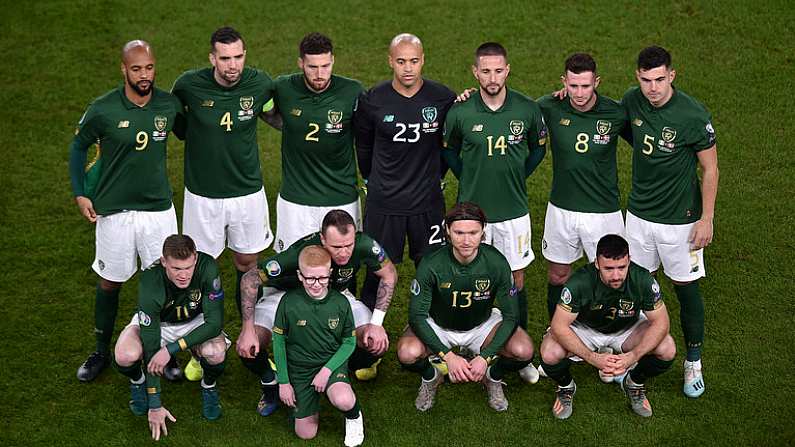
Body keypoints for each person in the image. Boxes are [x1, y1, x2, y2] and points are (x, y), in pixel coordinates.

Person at [69, 40, 181, 382]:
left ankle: (164, 349)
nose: (144, 75)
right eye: (136, 69)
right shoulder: (103, 109)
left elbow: (194, 132)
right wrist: (79, 194)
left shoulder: (169, 104)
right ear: (124, 69)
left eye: (149, 67)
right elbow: (78, 146)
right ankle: (101, 350)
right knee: (109, 282)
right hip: (114, 211)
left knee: (163, 281)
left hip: (158, 210)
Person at [442, 42, 547, 381]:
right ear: (475, 72)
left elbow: (536, 151)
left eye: (498, 70)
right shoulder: (460, 112)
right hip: (472, 215)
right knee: (468, 275)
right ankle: (465, 344)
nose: (492, 77)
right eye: (485, 71)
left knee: (515, 281)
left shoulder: (527, 110)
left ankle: (521, 356)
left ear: (508, 70)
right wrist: (470, 179)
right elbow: (450, 154)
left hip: (513, 214)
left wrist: (515, 175)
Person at [622, 46, 718, 398]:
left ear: (672, 76)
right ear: (638, 78)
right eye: (646, 80)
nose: (653, 88)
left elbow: (710, 168)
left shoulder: (692, 115)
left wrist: (706, 218)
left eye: (660, 79)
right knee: (638, 289)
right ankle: (636, 356)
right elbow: (625, 131)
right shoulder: (632, 101)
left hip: (681, 222)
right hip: (639, 218)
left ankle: (693, 361)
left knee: (686, 289)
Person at [237, 210, 396, 416]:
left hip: (335, 297)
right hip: (284, 296)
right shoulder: (299, 253)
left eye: (349, 245)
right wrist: (248, 329)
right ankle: (271, 383)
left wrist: (376, 322)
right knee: (251, 347)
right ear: (322, 239)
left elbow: (389, 274)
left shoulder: (364, 244)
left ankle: (337, 374)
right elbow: (250, 279)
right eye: (336, 247)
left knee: (376, 344)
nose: (344, 253)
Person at [171, 26, 275, 321]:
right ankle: (204, 330)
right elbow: (178, 126)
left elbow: (271, 112)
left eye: (238, 57)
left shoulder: (260, 84)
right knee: (200, 264)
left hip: (247, 192)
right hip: (203, 195)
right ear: (212, 58)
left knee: (247, 260)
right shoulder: (188, 86)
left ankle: (251, 324)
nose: (233, 65)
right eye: (225, 58)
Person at [397, 202, 535, 412]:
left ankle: (493, 377)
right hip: (439, 325)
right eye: (459, 232)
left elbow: (511, 316)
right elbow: (417, 316)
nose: (466, 240)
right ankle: (431, 377)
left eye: (473, 232)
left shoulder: (496, 263)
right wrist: (448, 356)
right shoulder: (431, 264)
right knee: (407, 353)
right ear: (448, 232)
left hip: (481, 325)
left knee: (523, 350)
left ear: (483, 232)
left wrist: (485, 357)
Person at [354, 33, 456, 311]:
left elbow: (451, 144)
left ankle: (434, 336)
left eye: (413, 61)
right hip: (385, 205)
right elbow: (363, 148)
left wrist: (436, 175)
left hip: (428, 204)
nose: (408, 68)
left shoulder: (443, 98)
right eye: (401, 61)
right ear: (390, 62)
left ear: (423, 60)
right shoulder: (373, 100)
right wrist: (373, 181)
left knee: (434, 271)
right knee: (376, 273)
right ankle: (366, 337)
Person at [539, 234, 676, 418]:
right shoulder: (579, 282)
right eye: (609, 269)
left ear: (629, 261)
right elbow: (558, 326)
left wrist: (632, 356)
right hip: (585, 330)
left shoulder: (642, 279)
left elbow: (662, 322)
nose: (616, 275)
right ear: (597, 264)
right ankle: (565, 387)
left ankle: (634, 383)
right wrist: (592, 357)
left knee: (667, 348)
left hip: (627, 329)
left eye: (621, 267)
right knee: (549, 352)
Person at [537, 53, 628, 319]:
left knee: (609, 276)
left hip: (603, 212)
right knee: (558, 275)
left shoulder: (615, 112)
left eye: (585, 86)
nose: (578, 93)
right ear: (564, 81)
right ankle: (556, 331)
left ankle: (607, 334)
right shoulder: (549, 106)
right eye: (573, 85)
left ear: (596, 82)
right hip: (561, 209)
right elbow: (512, 109)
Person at [113, 235, 228, 440]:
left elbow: (214, 324)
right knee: (125, 355)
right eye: (176, 269)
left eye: (188, 268)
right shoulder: (150, 281)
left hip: (195, 320)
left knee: (216, 352)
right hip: (161, 325)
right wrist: (155, 403)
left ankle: (208, 385)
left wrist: (171, 349)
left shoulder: (207, 266)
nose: (183, 275)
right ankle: (138, 380)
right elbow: (151, 345)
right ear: (164, 262)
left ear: (195, 257)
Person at [262, 32, 365, 252]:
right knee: (290, 264)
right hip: (295, 201)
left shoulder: (353, 91)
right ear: (301, 63)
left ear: (333, 60)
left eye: (325, 66)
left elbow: (369, 133)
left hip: (341, 197)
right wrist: (286, 125)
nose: (320, 74)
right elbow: (261, 105)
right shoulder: (283, 87)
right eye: (312, 67)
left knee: (344, 262)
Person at [272, 245, 364, 446]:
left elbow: (349, 342)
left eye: (322, 278)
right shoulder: (288, 303)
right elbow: (278, 343)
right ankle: (307, 403)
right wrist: (284, 382)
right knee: (306, 434)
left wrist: (326, 370)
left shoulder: (341, 303)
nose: (316, 284)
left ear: (330, 273)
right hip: (300, 368)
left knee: (343, 400)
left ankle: (354, 416)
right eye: (309, 278)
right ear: (299, 275)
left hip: (330, 364)